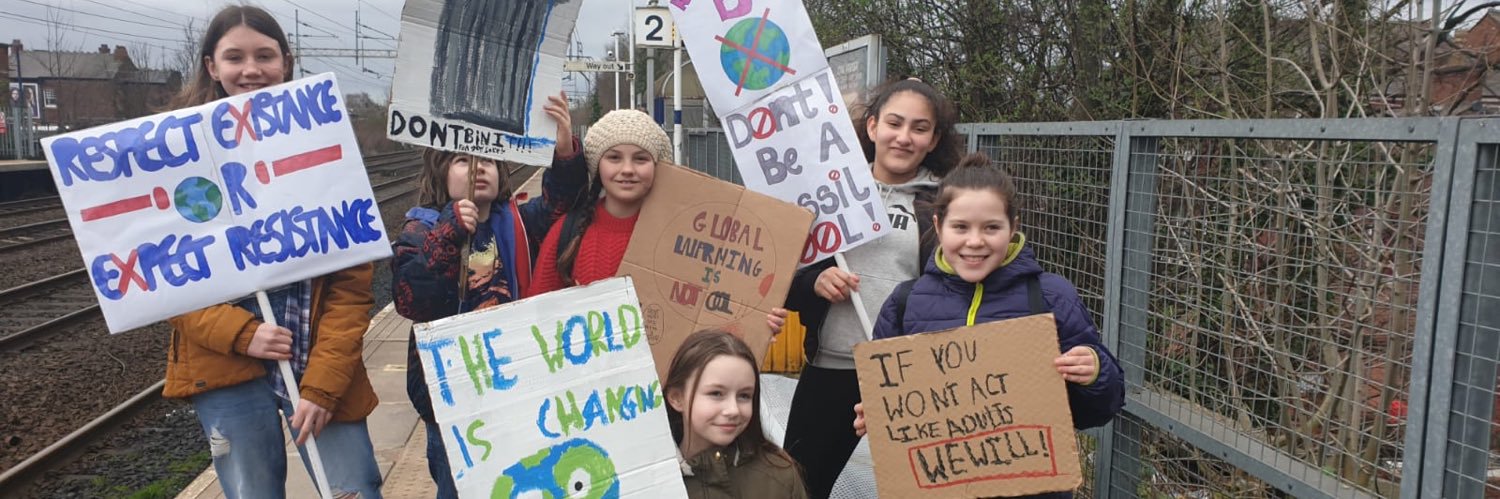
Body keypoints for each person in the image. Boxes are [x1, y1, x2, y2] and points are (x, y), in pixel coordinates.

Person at [162, 6, 382, 498]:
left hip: (317, 356)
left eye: (264, 55)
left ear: (286, 60)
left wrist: (323, 385)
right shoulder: (173, 152)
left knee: (354, 487)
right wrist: (243, 333)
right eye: (234, 57)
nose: (251, 69)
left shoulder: (324, 144)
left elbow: (351, 285)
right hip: (225, 363)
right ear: (211, 66)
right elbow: (163, 281)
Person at [853, 154, 1127, 499]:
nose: (975, 241)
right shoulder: (906, 303)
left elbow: (1099, 411)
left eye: (991, 227)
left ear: (1014, 226)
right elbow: (889, 407)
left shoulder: (1050, 297)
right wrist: (878, 416)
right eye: (961, 227)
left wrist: (1095, 372)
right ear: (938, 227)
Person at [390, 93, 587, 498]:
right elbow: (412, 300)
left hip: (515, 389)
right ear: (440, 170)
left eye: (490, 160)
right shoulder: (420, 231)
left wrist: (564, 149)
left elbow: (560, 203)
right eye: (464, 160)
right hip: (452, 405)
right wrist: (450, 232)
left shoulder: (519, 220)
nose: (480, 168)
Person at [781, 78, 964, 498]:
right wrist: (815, 282)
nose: (904, 137)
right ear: (872, 127)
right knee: (798, 487)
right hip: (831, 369)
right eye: (894, 123)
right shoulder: (827, 192)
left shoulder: (943, 205)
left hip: (909, 376)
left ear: (934, 139)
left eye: (919, 128)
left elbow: (959, 287)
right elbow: (783, 278)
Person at [665, 329, 810, 499]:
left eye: (744, 396)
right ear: (676, 398)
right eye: (716, 393)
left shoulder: (778, 477)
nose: (733, 410)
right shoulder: (646, 480)